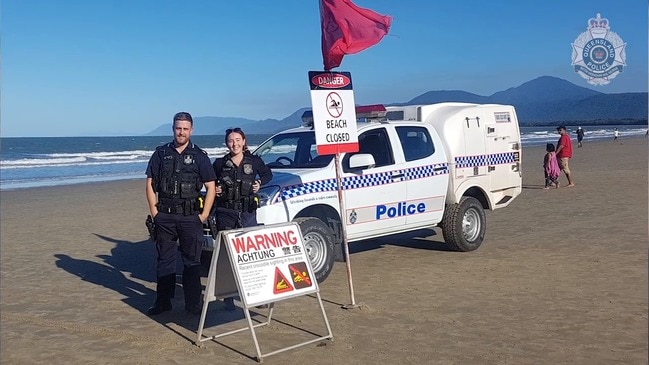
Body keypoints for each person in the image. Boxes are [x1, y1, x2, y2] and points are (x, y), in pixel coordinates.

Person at [145, 112, 217, 316]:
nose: (181, 132)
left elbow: (210, 187)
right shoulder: (161, 154)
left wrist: (203, 216)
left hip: (190, 217)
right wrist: (154, 212)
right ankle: (163, 301)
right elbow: (150, 184)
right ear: (173, 129)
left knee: (192, 262)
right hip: (165, 217)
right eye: (178, 128)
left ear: (191, 130)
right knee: (164, 261)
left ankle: (192, 303)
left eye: (185, 129)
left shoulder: (200, 156)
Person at [212, 127, 272, 311]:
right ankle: (228, 297)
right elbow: (208, 181)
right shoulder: (220, 163)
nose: (234, 144)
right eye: (231, 140)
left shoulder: (254, 161)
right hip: (226, 213)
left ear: (244, 141)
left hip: (247, 213)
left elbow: (268, 174)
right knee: (228, 256)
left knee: (251, 255)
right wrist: (215, 188)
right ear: (226, 143)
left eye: (238, 140)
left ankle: (257, 295)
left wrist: (259, 183)